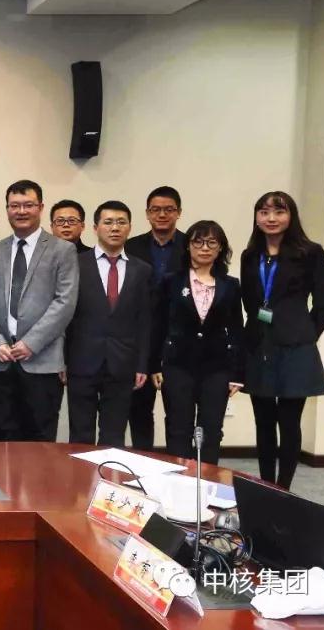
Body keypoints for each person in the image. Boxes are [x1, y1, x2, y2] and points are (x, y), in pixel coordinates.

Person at [240, 192, 324, 490]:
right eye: (264, 212)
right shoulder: (250, 255)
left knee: (289, 422)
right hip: (259, 345)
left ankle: (284, 488)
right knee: (263, 421)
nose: (271, 218)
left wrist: (306, 334)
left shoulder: (310, 252)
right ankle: (267, 485)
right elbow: (250, 301)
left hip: (296, 348)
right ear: (256, 217)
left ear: (291, 216)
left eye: (279, 212)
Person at [0, 180, 78, 442]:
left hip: (42, 361)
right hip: (0, 361)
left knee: (40, 440)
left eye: (28, 205)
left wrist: (31, 343)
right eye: (15, 206)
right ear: (7, 209)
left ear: (41, 207)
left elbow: (65, 302)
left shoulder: (63, 250)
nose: (21, 211)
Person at [152, 220, 243, 465]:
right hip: (178, 364)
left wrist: (237, 373)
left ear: (220, 248)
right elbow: (158, 325)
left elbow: (237, 329)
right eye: (198, 242)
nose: (204, 248)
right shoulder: (171, 281)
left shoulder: (230, 285)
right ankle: (177, 480)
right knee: (178, 428)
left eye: (211, 242)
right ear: (187, 246)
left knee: (211, 429)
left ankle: (207, 481)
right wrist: (155, 364)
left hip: (217, 367)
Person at [65, 201, 152, 447]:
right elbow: (64, 315)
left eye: (121, 222)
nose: (115, 228)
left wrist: (142, 364)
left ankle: (108, 474)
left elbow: (145, 321)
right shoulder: (75, 264)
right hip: (81, 361)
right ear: (95, 227)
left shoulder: (142, 270)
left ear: (130, 227)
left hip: (123, 363)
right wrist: (62, 359)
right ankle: (80, 474)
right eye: (108, 222)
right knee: (80, 434)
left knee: (114, 436)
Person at [125, 186, 187, 451]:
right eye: (156, 210)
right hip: (141, 340)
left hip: (179, 340)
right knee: (139, 411)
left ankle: (177, 467)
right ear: (147, 213)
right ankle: (143, 463)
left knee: (178, 414)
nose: (162, 214)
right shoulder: (131, 246)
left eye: (169, 209)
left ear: (179, 212)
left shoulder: (190, 245)